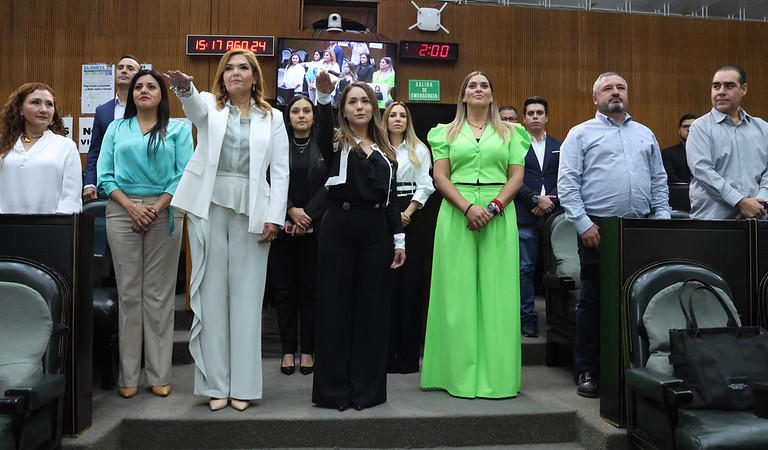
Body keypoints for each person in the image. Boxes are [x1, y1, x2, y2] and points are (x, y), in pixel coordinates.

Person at [165, 48, 289, 412]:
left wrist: (275, 216)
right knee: (212, 295)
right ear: (222, 76)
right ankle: (215, 384)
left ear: (254, 76)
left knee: (248, 299)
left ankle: (244, 387)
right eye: (229, 67)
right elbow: (193, 109)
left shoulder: (273, 117)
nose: (235, 72)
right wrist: (184, 89)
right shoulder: (210, 105)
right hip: (209, 206)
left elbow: (281, 170)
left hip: (254, 209)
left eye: (243, 67)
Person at [558, 72, 670, 398]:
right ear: (595, 98)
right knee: (594, 301)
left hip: (642, 228)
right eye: (608, 88)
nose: (615, 92)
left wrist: (661, 219)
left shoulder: (645, 133)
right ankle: (588, 370)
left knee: (642, 299)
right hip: (598, 229)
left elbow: (659, 181)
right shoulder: (580, 134)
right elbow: (567, 184)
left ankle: (636, 370)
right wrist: (583, 224)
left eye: (621, 87)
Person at [421, 71, 529, 399]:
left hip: (499, 213)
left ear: (492, 95)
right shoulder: (444, 133)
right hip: (457, 213)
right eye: (472, 85)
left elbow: (517, 177)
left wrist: (493, 207)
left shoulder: (513, 132)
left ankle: (498, 377)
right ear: (463, 95)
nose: (478, 89)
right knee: (456, 294)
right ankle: (455, 375)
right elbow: (440, 177)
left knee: (498, 295)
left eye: (484, 85)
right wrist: (468, 208)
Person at [96, 69, 193, 399]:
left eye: (152, 86)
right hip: (121, 210)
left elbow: (184, 174)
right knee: (129, 295)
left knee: (158, 296)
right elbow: (104, 175)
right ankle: (128, 375)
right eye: (139, 86)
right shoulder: (116, 128)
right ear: (132, 94)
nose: (144, 90)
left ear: (162, 94)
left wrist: (154, 207)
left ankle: (159, 374)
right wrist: (132, 207)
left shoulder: (178, 129)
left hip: (164, 212)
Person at [312, 73, 405, 411]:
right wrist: (324, 97)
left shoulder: (386, 151)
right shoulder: (336, 142)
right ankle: (334, 391)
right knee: (335, 308)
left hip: (376, 232)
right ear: (344, 110)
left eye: (365, 101)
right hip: (339, 227)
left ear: (374, 108)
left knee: (372, 311)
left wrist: (399, 240)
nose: (360, 106)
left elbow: (392, 201)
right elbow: (322, 130)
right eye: (352, 101)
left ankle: (367, 391)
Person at [267, 94, 328, 376]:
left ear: (314, 117)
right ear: (288, 117)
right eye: (295, 111)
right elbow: (270, 179)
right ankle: (288, 351)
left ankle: (308, 351)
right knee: (284, 292)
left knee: (311, 291)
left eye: (306, 111)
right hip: (283, 227)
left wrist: (308, 214)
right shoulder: (277, 145)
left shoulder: (324, 145)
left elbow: (331, 183)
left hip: (316, 229)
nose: (301, 115)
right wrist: (291, 210)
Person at [383, 101, 434, 374]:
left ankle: (407, 358)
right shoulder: (376, 146)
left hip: (412, 214)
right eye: (393, 115)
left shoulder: (419, 149)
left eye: (402, 115)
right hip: (383, 216)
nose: (398, 119)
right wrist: (393, 216)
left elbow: (426, 184)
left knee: (410, 287)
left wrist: (408, 212)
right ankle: (385, 356)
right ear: (385, 119)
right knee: (386, 286)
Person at [687, 65, 768, 220]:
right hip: (713, 222)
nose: (721, 91)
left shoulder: (763, 128)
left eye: (729, 86)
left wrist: (760, 202)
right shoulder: (700, 127)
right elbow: (702, 170)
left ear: (744, 89)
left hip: (759, 218)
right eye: (716, 86)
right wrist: (741, 202)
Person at [515, 96, 561, 338]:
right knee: (525, 269)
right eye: (530, 113)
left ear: (547, 117)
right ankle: (527, 318)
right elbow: (511, 179)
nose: (535, 117)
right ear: (524, 119)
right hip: (525, 214)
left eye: (539, 113)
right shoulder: (516, 145)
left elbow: (567, 177)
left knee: (559, 269)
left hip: (555, 217)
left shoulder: (559, 145)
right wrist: (535, 199)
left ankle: (557, 318)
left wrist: (549, 201)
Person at [0, 82, 82, 214]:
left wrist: (59, 223)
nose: (44, 109)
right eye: (35, 102)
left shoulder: (66, 146)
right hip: (6, 223)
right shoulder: (4, 144)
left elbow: (71, 198)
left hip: (51, 224)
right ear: (20, 109)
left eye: (49, 104)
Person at [83, 54, 142, 201]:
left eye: (130, 68)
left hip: (140, 184)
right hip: (108, 185)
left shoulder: (147, 108)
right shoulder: (102, 111)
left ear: (139, 76)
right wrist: (90, 183)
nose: (124, 71)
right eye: (120, 67)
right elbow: (95, 150)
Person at [661, 113, 696, 183]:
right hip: (681, 189)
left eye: (693, 126)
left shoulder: (709, 151)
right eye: (685, 126)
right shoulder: (668, 153)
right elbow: (671, 179)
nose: (689, 129)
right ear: (679, 131)